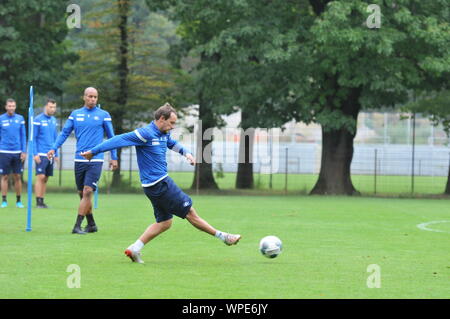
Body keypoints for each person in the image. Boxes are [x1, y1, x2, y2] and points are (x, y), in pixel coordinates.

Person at [81, 103, 241, 264]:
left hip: (152, 187)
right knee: (190, 213)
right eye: (171, 123)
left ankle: (134, 248)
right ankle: (224, 237)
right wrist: (93, 152)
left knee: (165, 222)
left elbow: (171, 143)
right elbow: (118, 140)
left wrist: (187, 153)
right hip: (159, 183)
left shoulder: (163, 133)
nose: (173, 127)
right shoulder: (145, 133)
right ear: (161, 119)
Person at [47, 87, 118, 234]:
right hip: (79, 160)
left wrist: (114, 157)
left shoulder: (103, 115)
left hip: (95, 159)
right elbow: (64, 133)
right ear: (84, 97)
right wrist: (54, 148)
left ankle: (77, 226)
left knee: (87, 191)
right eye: (90, 96)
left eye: (95, 97)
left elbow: (112, 138)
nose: (93, 99)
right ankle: (91, 223)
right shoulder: (75, 115)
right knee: (82, 194)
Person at [0, 98, 26, 208]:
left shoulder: (20, 119)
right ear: (6, 107)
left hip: (17, 152)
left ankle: (18, 200)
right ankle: (4, 200)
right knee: (4, 176)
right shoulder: (1, 118)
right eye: (9, 106)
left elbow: (23, 135)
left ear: (15, 107)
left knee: (17, 176)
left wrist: (24, 150)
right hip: (4, 151)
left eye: (13, 106)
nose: (11, 108)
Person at [33, 98, 59, 208]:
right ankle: (38, 201)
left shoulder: (53, 120)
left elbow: (55, 138)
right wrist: (35, 154)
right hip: (41, 153)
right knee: (41, 177)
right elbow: (33, 138)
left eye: (54, 107)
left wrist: (56, 154)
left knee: (46, 178)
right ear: (45, 107)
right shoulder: (38, 119)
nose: (53, 109)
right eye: (51, 107)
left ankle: (42, 201)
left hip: (50, 154)